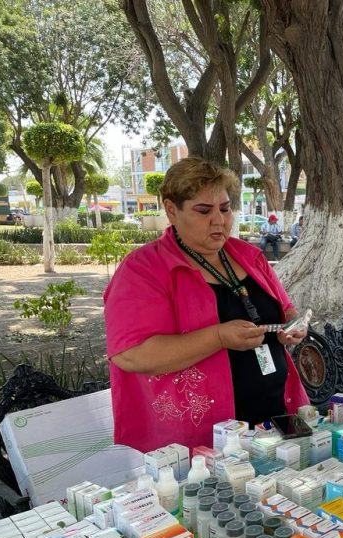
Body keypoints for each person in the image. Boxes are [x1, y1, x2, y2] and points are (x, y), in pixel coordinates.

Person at [104, 157, 310, 453]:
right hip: (202, 439)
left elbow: (285, 309)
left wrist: (291, 325)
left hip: (278, 412)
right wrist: (219, 337)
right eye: (204, 211)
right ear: (171, 210)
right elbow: (131, 354)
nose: (219, 220)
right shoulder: (143, 269)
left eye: (225, 209)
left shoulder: (248, 256)